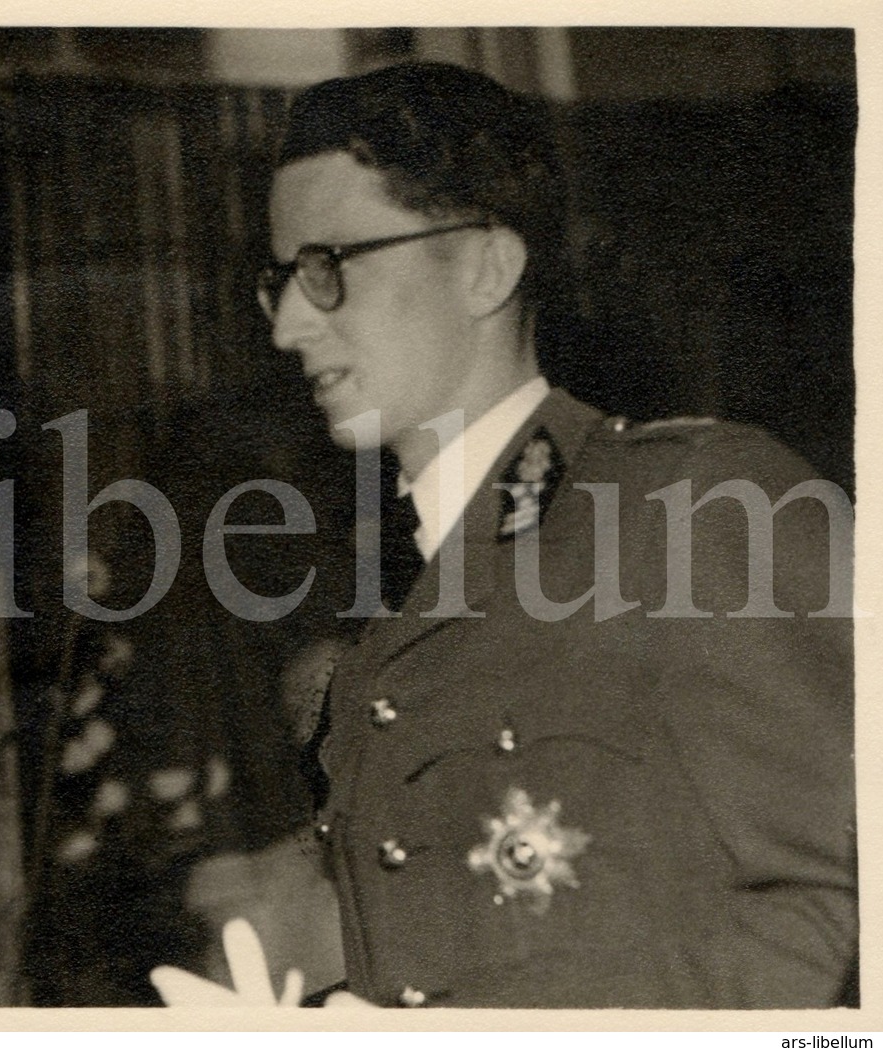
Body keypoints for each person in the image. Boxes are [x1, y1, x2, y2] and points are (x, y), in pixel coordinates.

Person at [254, 62, 854, 1008]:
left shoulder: (691, 510)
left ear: (487, 266)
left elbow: (835, 926)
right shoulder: (392, 638)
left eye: (329, 268)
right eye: (281, 279)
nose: (290, 322)